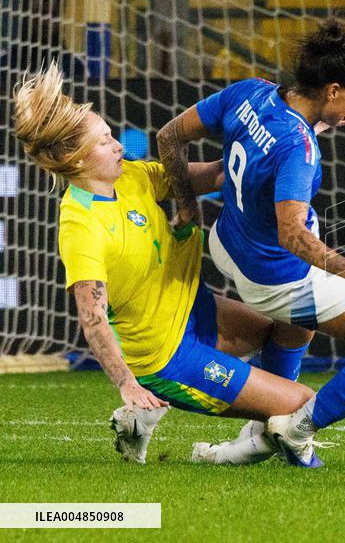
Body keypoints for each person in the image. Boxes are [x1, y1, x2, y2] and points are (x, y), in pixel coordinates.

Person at [157, 18, 345, 467]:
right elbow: (291, 234)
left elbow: (168, 137)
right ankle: (297, 425)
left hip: (228, 243)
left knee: (297, 324)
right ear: (332, 89)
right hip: (277, 277)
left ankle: (261, 432)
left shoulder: (249, 91)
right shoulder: (299, 149)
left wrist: (188, 207)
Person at [11, 63, 317, 466]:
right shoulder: (81, 225)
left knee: (299, 321)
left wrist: (278, 139)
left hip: (195, 308)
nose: (118, 145)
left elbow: (213, 176)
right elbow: (92, 318)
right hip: (165, 355)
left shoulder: (131, 177)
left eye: (110, 136)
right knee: (305, 406)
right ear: (74, 158)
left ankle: (257, 425)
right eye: (104, 142)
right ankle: (225, 453)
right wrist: (127, 384)